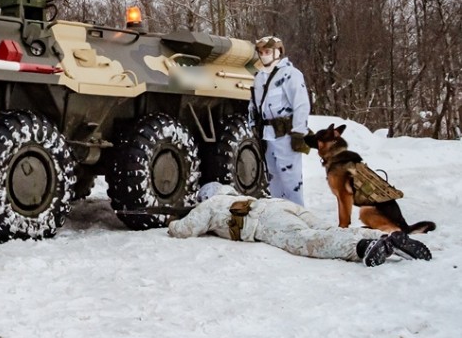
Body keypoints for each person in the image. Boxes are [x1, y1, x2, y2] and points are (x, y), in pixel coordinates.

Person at [167, 183, 432, 267]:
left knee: (306, 241)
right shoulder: (235, 196)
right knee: (327, 228)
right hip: (279, 205)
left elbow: (186, 230)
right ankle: (389, 237)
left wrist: (173, 224)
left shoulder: (211, 203)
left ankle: (364, 246)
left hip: (264, 220)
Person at [251, 35, 311, 206]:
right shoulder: (259, 77)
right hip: (267, 135)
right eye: (261, 52)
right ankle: (281, 217)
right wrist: (254, 128)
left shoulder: (290, 74)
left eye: (267, 51)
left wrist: (299, 132)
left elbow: (301, 104)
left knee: (291, 181)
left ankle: (298, 217)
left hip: (286, 134)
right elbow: (253, 106)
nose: (264, 55)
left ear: (278, 52)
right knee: (273, 179)